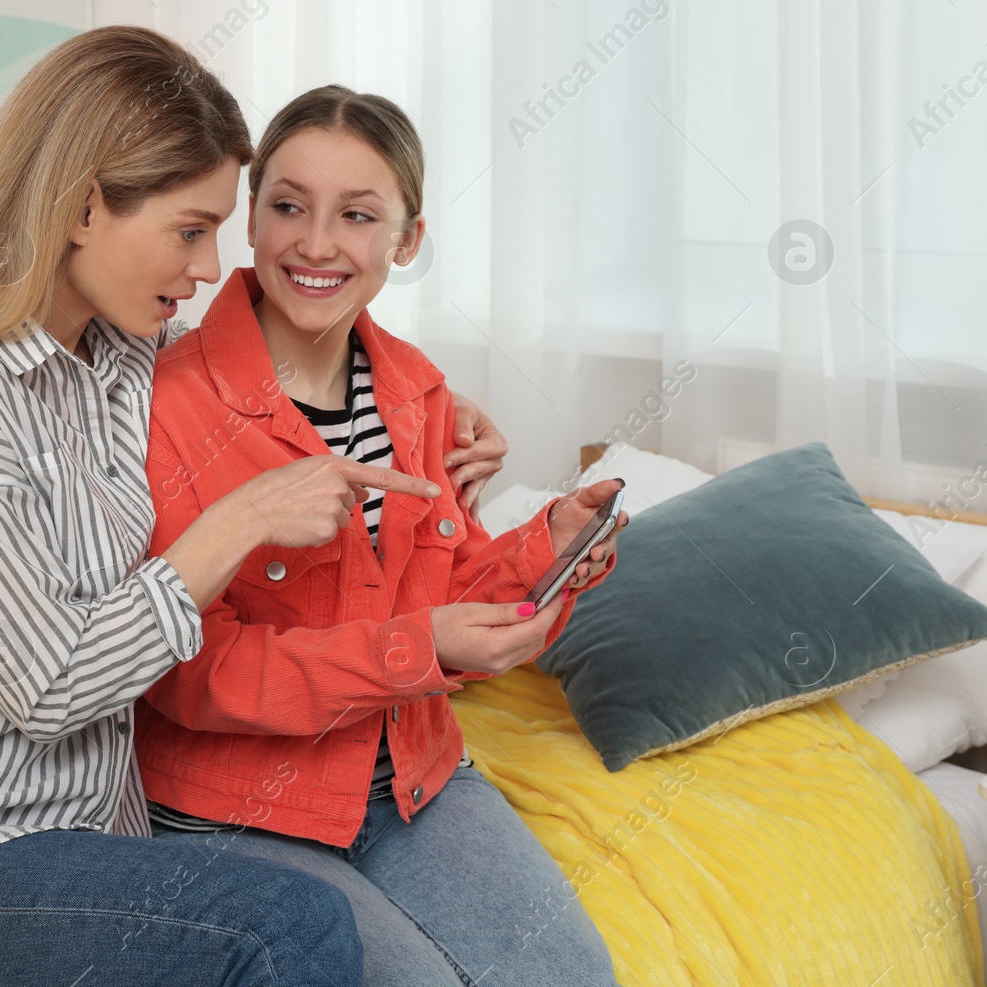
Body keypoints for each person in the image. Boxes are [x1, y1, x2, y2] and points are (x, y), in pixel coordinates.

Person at [0, 29, 502, 987]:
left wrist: (436, 411)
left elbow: (270, 366)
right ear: (80, 208)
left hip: (93, 849)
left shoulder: (117, 366)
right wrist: (238, 520)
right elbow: (50, 687)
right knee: (288, 927)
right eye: (191, 231)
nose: (206, 268)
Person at [134, 84, 628, 986]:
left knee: (570, 975)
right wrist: (414, 648)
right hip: (231, 805)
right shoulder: (170, 402)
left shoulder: (420, 391)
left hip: (413, 778)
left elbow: (442, 601)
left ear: (406, 239)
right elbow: (185, 672)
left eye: (357, 216)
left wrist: (543, 549)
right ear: (249, 217)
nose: (316, 243)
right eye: (288, 206)